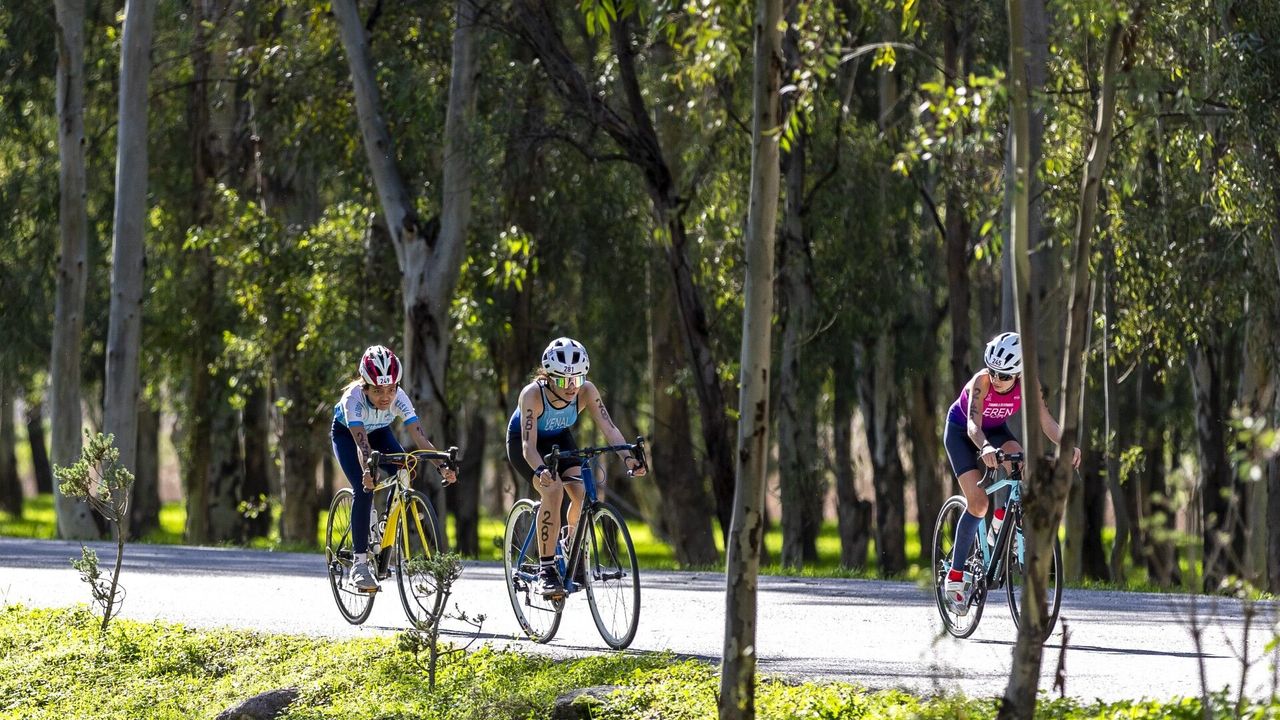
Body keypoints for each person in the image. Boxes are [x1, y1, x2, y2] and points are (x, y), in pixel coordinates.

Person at [941, 331, 1081, 614]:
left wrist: (1067, 446)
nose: (996, 378)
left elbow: (1046, 422)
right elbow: (973, 426)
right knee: (978, 503)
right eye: (993, 371)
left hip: (995, 431)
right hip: (963, 432)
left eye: (1003, 375)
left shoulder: (1029, 384)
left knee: (1024, 466)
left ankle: (1002, 521)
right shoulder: (981, 382)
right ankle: (955, 577)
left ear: (1017, 374)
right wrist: (985, 447)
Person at [506, 337, 647, 598]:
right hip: (526, 444)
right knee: (553, 491)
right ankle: (547, 570)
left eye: (578, 379)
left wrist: (628, 458)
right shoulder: (532, 395)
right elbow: (528, 447)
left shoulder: (587, 391)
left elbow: (610, 429)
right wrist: (541, 471)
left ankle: (570, 545)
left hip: (559, 439)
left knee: (582, 495)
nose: (572, 387)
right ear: (549, 377)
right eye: (563, 381)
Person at [331, 344, 456, 591]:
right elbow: (362, 446)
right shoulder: (353, 399)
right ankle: (359, 564)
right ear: (365, 386)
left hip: (379, 432)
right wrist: (368, 472)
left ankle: (384, 527)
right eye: (377, 390)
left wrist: (441, 466)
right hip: (348, 436)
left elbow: (421, 439)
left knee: (406, 469)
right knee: (364, 488)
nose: (386, 396)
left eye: (391, 389)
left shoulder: (400, 398)